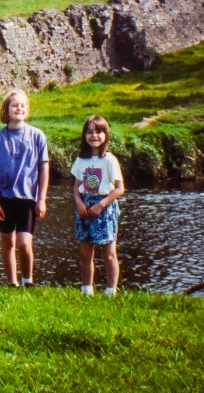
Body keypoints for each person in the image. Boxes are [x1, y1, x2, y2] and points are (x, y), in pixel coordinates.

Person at [0, 89, 50, 287]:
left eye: (23, 105)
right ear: (6, 109)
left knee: (24, 243)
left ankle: (28, 281)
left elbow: (44, 168)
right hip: (5, 199)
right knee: (7, 242)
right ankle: (12, 283)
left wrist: (42, 199)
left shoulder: (37, 135)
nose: (19, 108)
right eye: (14, 105)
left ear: (27, 109)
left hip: (27, 199)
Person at [71, 115, 125, 296]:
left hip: (104, 207)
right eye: (90, 132)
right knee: (85, 253)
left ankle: (111, 291)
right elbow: (76, 187)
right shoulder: (81, 160)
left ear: (105, 135)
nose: (94, 136)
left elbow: (119, 189)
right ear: (84, 135)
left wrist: (101, 205)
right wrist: (79, 202)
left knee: (109, 254)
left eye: (98, 131)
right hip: (85, 207)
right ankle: (87, 290)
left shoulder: (109, 160)